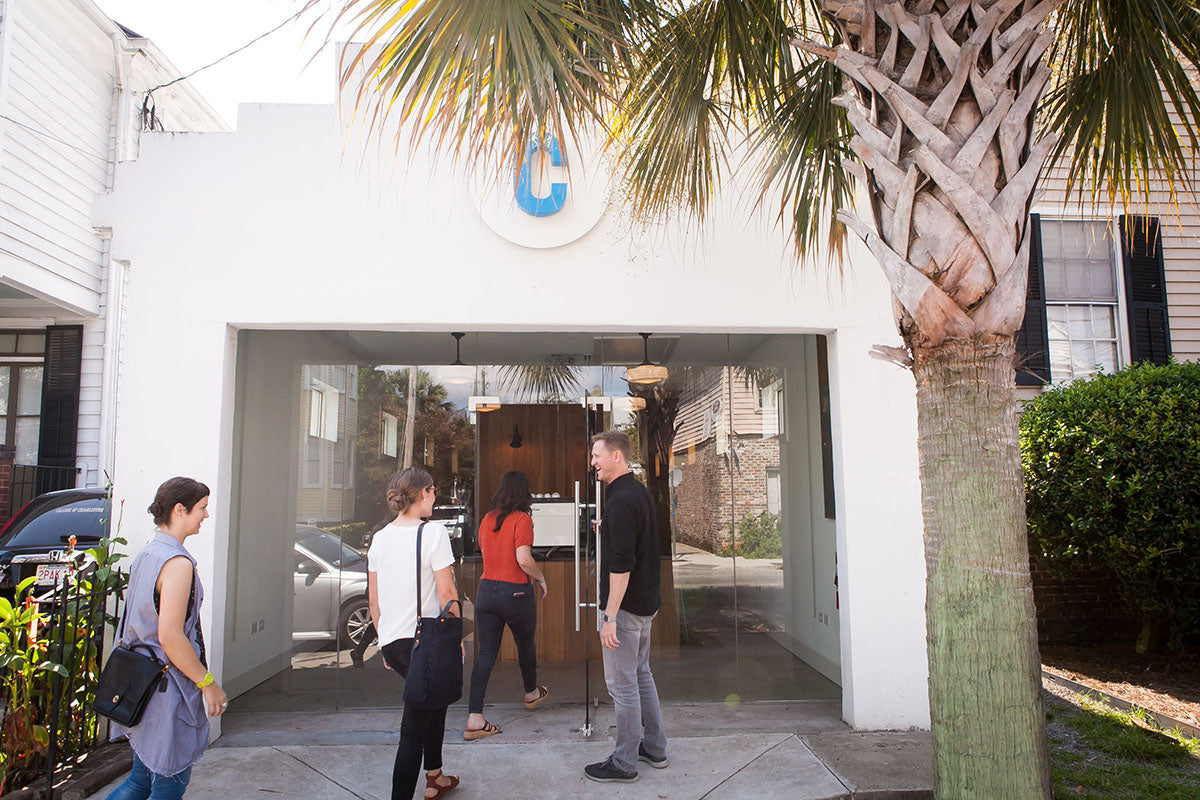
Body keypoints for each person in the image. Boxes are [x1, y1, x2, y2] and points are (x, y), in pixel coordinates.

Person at [107, 477, 227, 800]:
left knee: (140, 781)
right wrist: (208, 683)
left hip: (142, 687)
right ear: (179, 510)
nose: (205, 515)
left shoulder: (148, 554)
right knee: (168, 787)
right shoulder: (177, 564)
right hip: (166, 691)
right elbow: (171, 636)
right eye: (201, 508)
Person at [367, 467, 461, 800]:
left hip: (394, 641)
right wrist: (454, 640)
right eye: (433, 490)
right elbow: (447, 591)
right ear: (422, 494)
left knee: (434, 702)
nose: (435, 496)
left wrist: (384, 643)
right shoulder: (432, 533)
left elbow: (374, 601)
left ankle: (435, 776)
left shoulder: (379, 538)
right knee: (413, 731)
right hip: (426, 642)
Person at [584, 430, 668, 783]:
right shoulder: (637, 492)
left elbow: (621, 565)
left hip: (627, 610)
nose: (593, 462)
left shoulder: (619, 501)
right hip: (647, 604)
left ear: (616, 456)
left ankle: (624, 762)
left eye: (597, 455)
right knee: (641, 674)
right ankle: (655, 746)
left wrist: (610, 617)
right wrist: (609, 528)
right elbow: (639, 534)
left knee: (622, 685)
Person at [464, 471, 550, 740]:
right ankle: (531, 693)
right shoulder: (522, 519)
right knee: (525, 645)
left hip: (487, 591)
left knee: (486, 655)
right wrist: (541, 578)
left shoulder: (487, 519)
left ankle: (475, 717)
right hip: (515, 593)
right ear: (524, 493)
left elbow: (487, 553)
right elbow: (523, 559)